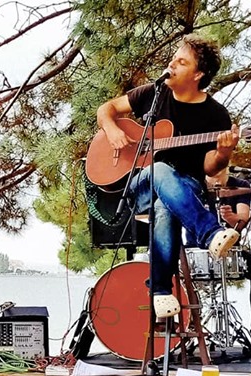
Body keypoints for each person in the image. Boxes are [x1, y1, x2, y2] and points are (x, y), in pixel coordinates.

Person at [96, 34, 240, 319]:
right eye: (174, 58)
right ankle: (210, 233)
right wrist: (112, 130)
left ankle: (160, 291)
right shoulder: (154, 93)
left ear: (198, 74)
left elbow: (210, 168)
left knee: (165, 207)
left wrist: (224, 153)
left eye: (182, 62)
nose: (172, 64)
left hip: (186, 187)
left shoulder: (215, 115)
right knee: (160, 170)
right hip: (140, 185)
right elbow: (106, 109)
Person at [205, 168, 251, 352]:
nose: (217, 179)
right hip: (199, 250)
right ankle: (184, 332)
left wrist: (231, 218)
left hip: (230, 250)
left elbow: (243, 219)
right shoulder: (195, 185)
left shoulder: (240, 186)